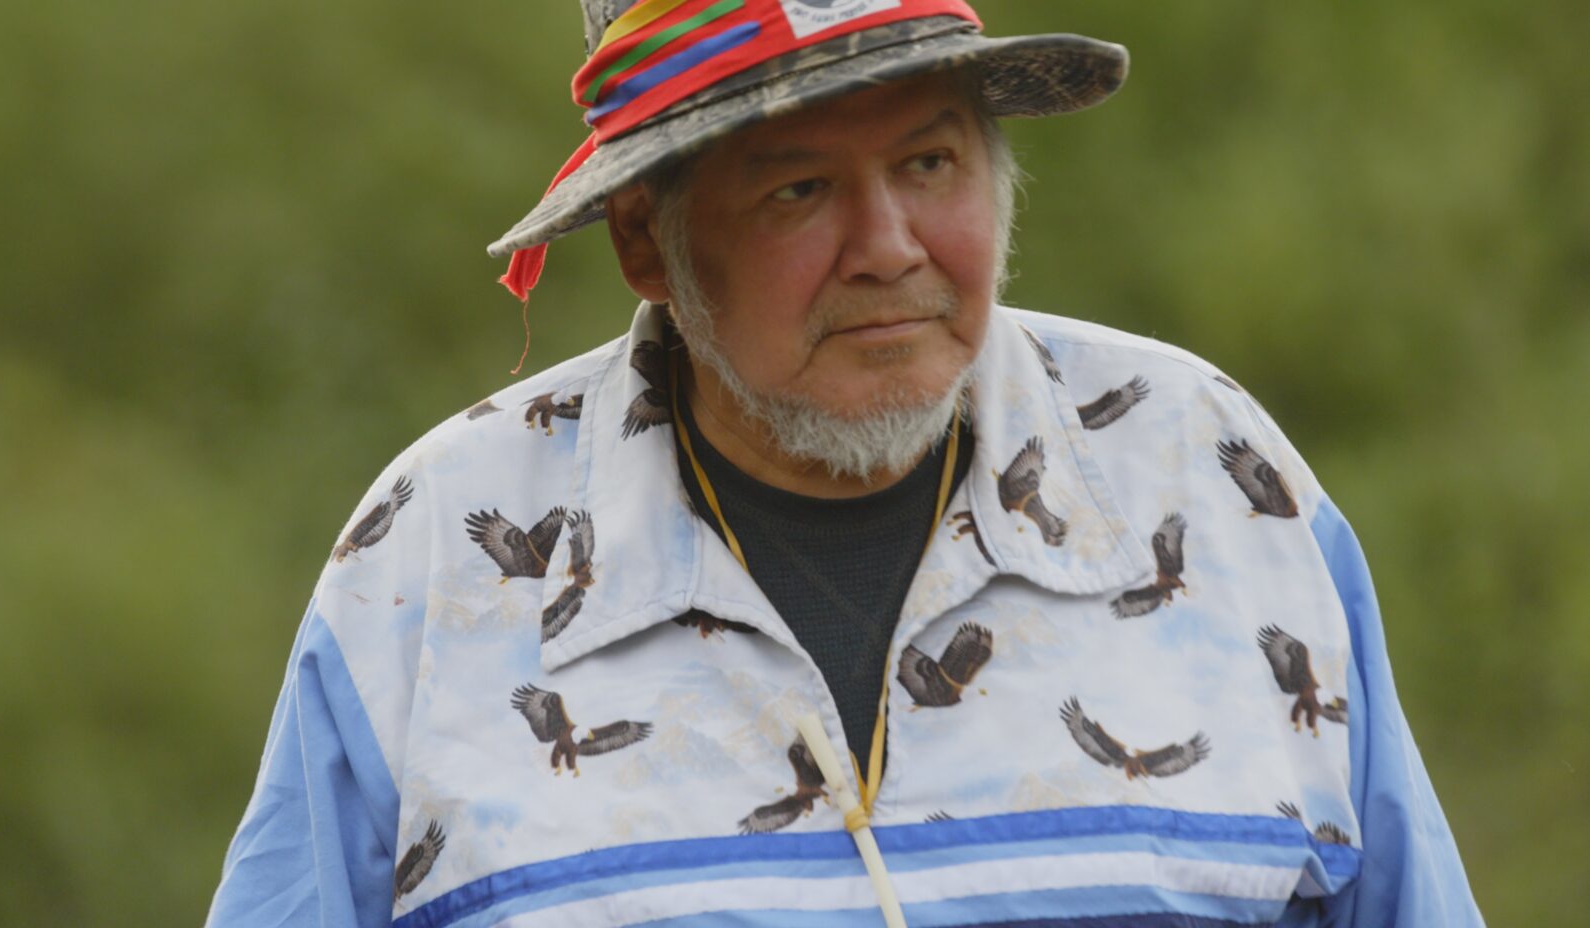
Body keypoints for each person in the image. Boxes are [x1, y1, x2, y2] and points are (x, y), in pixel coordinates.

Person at [207, 2, 1484, 926]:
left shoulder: (1213, 476)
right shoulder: (431, 560)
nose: (889, 246)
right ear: (648, 244)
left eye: (929, 163)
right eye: (799, 189)